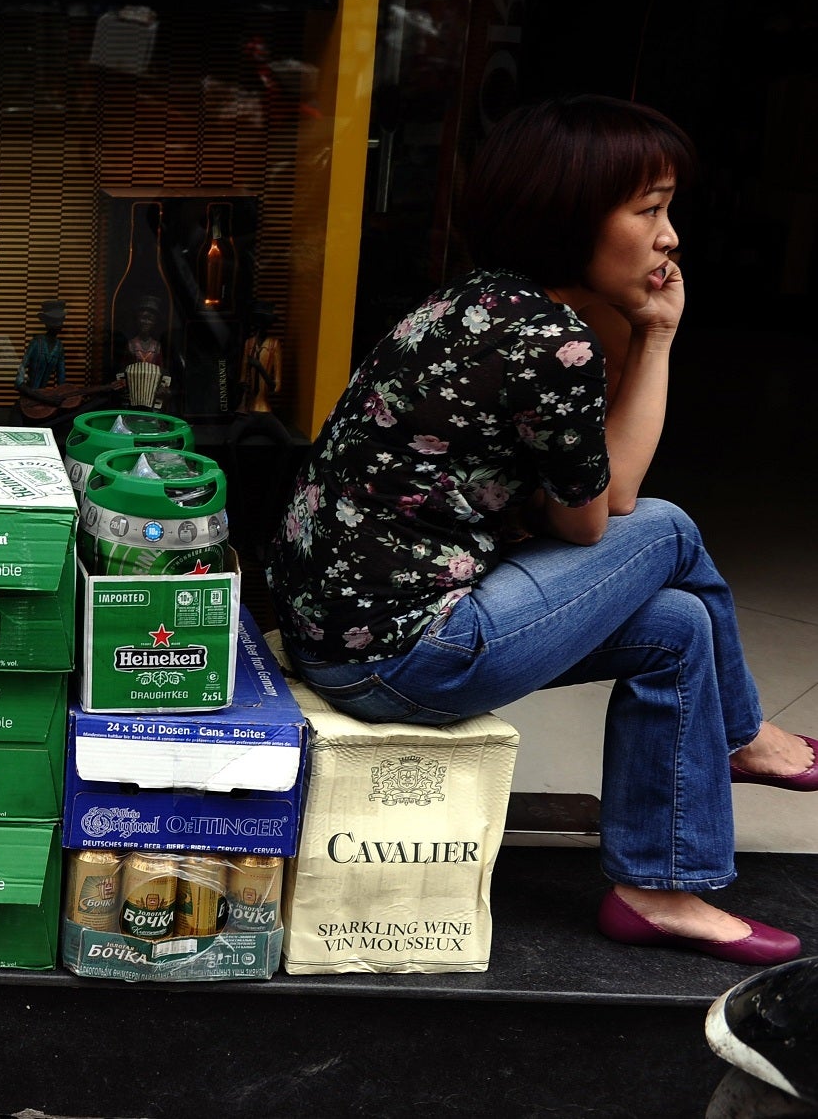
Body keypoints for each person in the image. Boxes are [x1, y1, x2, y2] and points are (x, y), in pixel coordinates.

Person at [268, 96, 816, 966]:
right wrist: (658, 341)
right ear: (570, 218)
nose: (670, 235)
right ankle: (743, 735)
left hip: (342, 636)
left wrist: (651, 330)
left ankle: (657, 890)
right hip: (404, 657)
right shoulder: (550, 341)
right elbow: (605, 511)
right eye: (649, 210)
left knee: (678, 631)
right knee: (670, 528)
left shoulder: (479, 302)